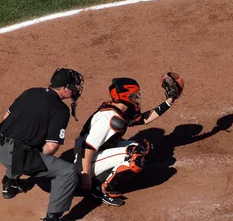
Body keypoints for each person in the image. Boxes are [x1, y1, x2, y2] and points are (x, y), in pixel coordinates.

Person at [0, 68, 85, 221]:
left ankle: (9, 185)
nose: (76, 90)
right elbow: (51, 147)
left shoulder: (31, 92)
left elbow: (5, 117)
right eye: (74, 86)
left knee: (23, 141)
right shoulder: (60, 110)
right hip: (16, 157)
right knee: (68, 172)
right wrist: (35, 154)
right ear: (64, 88)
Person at [74, 77, 180, 207]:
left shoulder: (124, 109)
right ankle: (102, 190)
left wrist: (169, 101)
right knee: (135, 156)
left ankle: (103, 177)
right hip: (85, 160)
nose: (137, 97)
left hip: (99, 153)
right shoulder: (108, 119)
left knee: (145, 147)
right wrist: (86, 175)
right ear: (125, 95)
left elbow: (145, 119)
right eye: (134, 94)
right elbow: (87, 147)